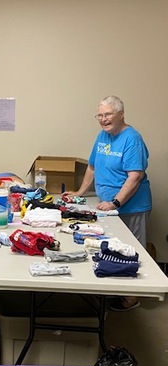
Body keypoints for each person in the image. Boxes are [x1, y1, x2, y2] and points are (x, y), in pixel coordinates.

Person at [63, 95, 152, 311]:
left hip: (131, 207)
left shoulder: (132, 138)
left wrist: (115, 202)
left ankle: (132, 298)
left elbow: (135, 176)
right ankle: (118, 290)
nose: (104, 119)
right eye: (100, 115)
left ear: (121, 114)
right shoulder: (103, 136)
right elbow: (92, 167)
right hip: (109, 207)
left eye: (108, 114)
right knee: (113, 249)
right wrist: (80, 192)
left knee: (131, 251)